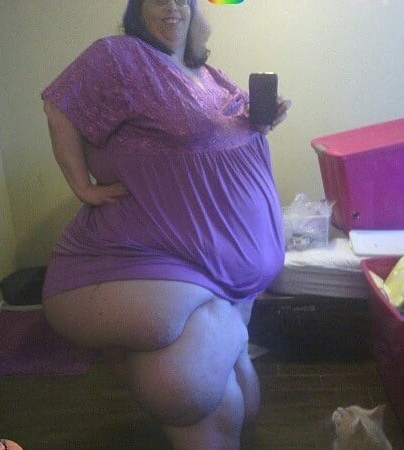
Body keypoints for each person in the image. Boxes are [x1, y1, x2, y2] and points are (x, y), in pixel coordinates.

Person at [41, 0, 291, 448]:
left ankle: (224, 320)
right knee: (183, 389)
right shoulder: (120, 56)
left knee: (243, 407)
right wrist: (81, 186)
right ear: (138, 8)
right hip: (148, 255)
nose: (172, 7)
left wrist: (262, 121)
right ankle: (226, 320)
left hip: (209, 267)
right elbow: (60, 104)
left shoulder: (208, 74)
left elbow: (214, 137)